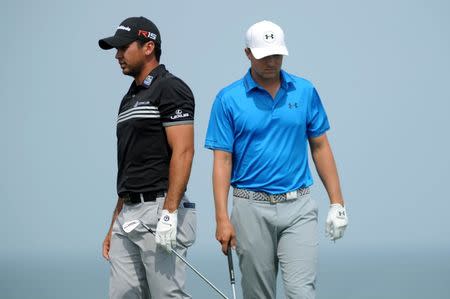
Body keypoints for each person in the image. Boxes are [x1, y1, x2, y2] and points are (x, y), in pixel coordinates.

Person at [205, 20, 349, 299]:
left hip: (299, 207)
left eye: (277, 54)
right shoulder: (228, 99)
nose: (272, 61)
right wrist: (222, 218)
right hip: (250, 207)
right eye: (264, 55)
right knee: (258, 294)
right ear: (248, 53)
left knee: (301, 292)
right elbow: (222, 161)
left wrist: (337, 204)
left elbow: (320, 147)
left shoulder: (304, 91)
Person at [99, 16, 197, 299]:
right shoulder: (129, 98)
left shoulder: (171, 88)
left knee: (167, 296)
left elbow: (184, 151)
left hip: (159, 210)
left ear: (148, 47)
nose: (117, 55)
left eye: (122, 47)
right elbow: (130, 166)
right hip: (128, 213)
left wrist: (169, 213)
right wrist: (113, 223)